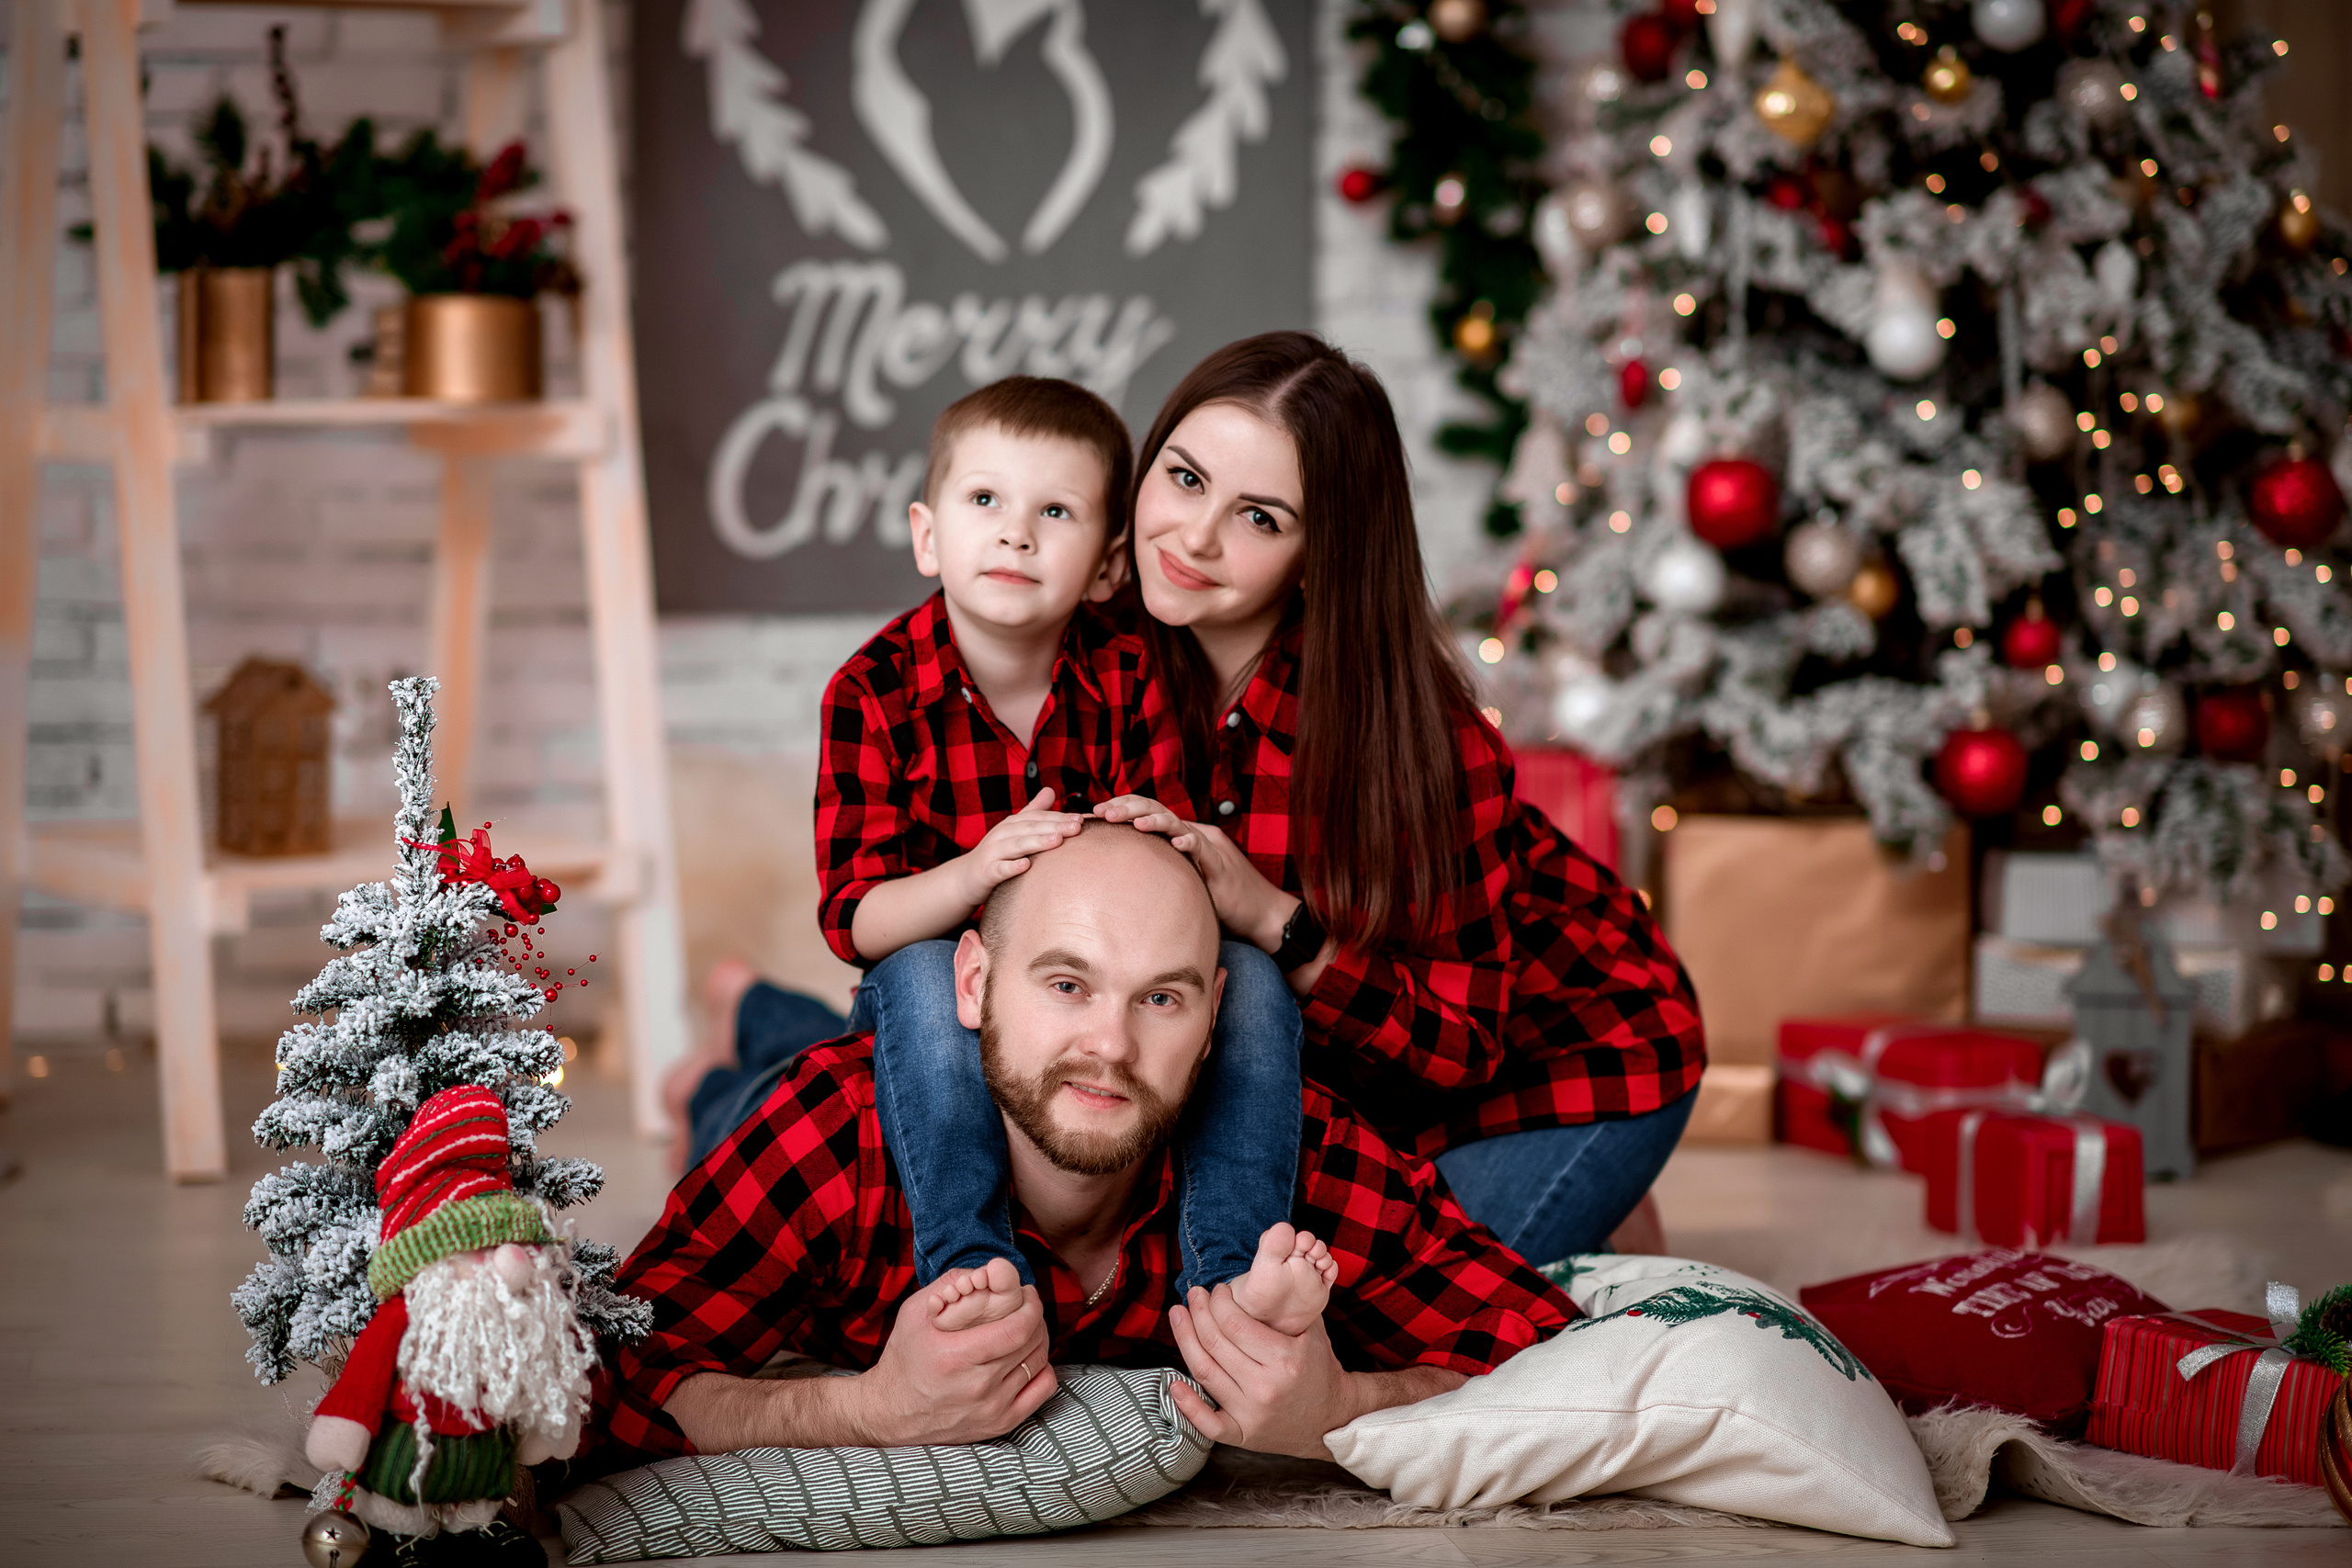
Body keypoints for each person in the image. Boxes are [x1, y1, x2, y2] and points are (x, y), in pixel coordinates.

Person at [877, 333, 1706, 1272]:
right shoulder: (1093, 636)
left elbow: (1461, 1048)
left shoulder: (1417, 740)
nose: (1194, 539)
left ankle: (1586, 1205)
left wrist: (1276, 919)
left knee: (1336, 1314)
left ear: (1319, 553)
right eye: (1184, 481)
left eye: (1259, 519)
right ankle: (760, 1023)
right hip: (1323, 1086)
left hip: (1567, 1064)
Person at [592, 823, 1572, 1469]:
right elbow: (607, 1381)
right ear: (968, 985)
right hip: (777, 1110)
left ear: (1218, 1012)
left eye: (1161, 998)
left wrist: (1336, 1408)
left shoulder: (1288, 1150)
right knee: (745, 1086)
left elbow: (1547, 1348)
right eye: (1065, 984)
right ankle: (728, 1041)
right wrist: (864, 1413)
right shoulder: (831, 1133)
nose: (1110, 1045)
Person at [659, 375, 1309, 1328]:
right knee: (910, 995)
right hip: (932, 965)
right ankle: (967, 1254)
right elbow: (856, 921)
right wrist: (976, 874)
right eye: (985, 502)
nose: (1016, 533)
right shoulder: (873, 692)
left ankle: (1230, 1270)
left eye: (1055, 511)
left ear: (1105, 567)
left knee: (1250, 977)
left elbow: (1161, 863)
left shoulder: (1130, 668)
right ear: (929, 536)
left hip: (1074, 983)